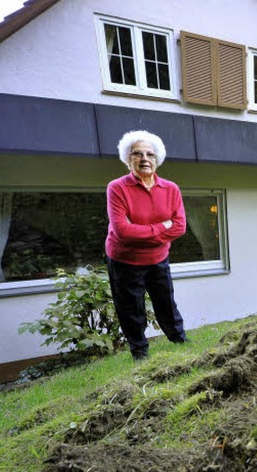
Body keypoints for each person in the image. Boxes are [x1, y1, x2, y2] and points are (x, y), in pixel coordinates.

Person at [105, 130, 187, 361]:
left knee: (166, 302)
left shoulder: (171, 189)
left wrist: (142, 232)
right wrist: (163, 226)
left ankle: (178, 338)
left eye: (150, 154)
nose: (144, 159)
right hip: (125, 260)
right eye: (137, 153)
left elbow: (179, 227)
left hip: (158, 257)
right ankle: (139, 351)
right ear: (127, 158)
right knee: (131, 307)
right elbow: (123, 231)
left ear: (157, 159)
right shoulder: (117, 188)